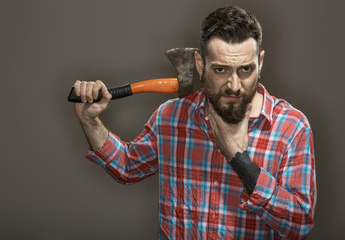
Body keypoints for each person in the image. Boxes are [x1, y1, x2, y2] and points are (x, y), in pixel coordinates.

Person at [72, 5, 316, 239]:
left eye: (245, 70)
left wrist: (240, 161)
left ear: (260, 63)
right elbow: (127, 167)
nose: (234, 85)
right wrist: (89, 120)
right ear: (200, 64)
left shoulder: (291, 128)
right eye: (221, 70)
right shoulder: (171, 117)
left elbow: (299, 225)